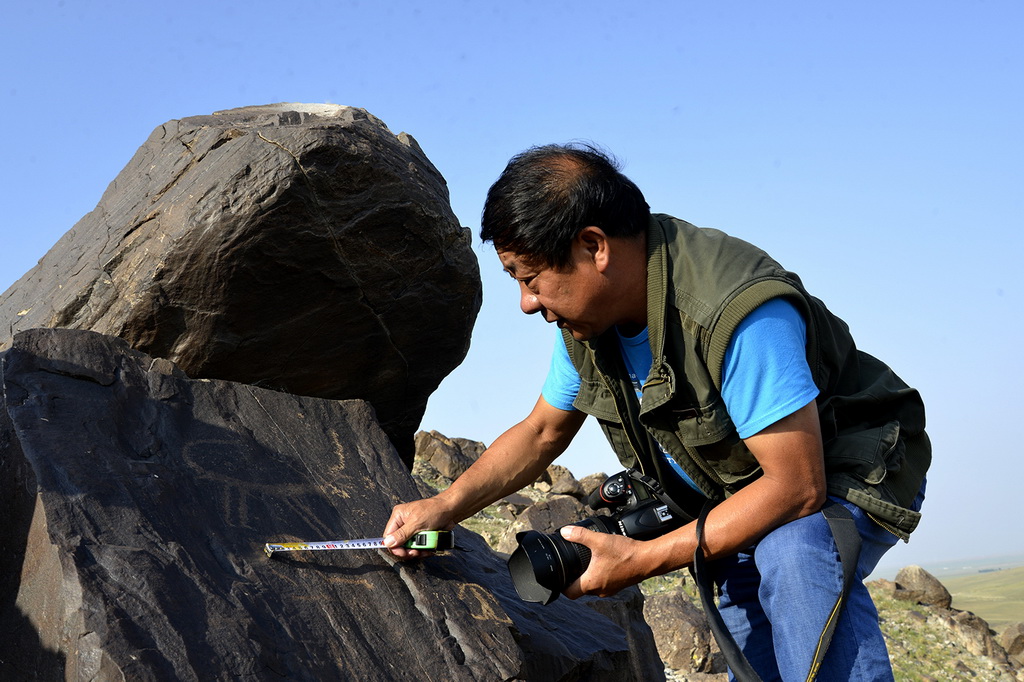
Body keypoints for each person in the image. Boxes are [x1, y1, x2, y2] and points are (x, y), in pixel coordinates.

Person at [383, 143, 930, 681]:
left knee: (794, 551)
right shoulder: (589, 324)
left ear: (594, 246)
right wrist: (445, 505)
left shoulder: (735, 313)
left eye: (529, 278)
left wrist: (640, 561)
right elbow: (542, 432)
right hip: (739, 482)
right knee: (741, 599)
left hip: (846, 461)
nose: (526, 302)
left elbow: (798, 488)